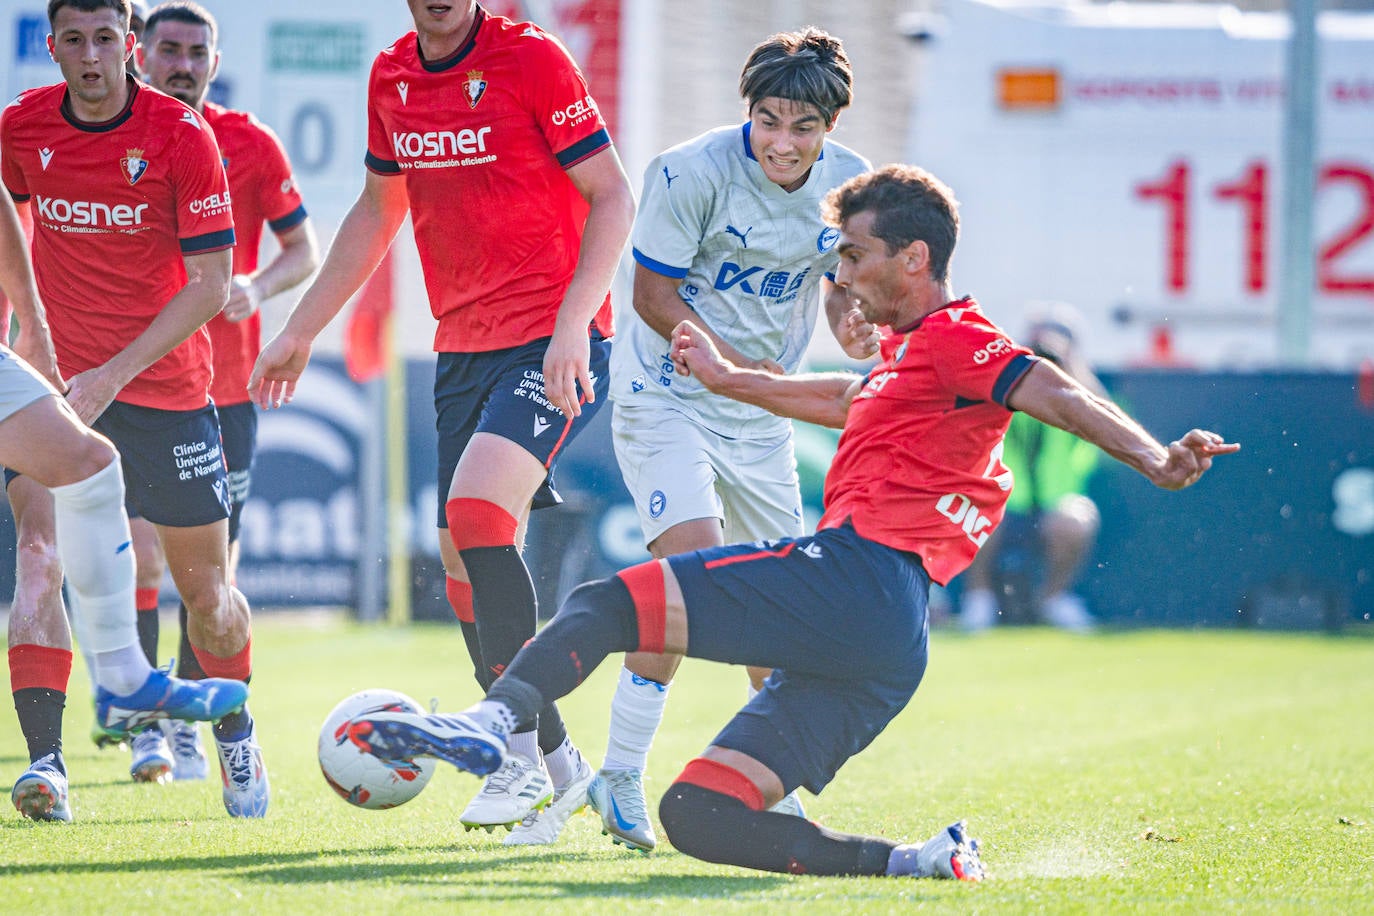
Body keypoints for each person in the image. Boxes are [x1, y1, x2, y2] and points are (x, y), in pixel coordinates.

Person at [347, 164, 1238, 880]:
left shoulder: (961, 338)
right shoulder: (911, 362)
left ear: (915, 259)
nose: (840, 275)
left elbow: (1052, 389)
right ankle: (916, 861)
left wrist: (1153, 457)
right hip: (889, 644)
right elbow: (843, 398)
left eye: (853, 255)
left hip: (856, 577)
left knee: (606, 604)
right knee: (699, 814)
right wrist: (730, 378)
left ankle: (494, 726)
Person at [248, 0, 635, 845]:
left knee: (477, 516)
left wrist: (576, 324)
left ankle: (511, 751)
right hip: (462, 347)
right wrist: (300, 331)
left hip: (554, 341)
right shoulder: (391, 75)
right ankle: (560, 764)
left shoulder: (530, 58)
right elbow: (376, 211)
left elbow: (613, 195)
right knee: (462, 552)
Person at [594, 27, 876, 851]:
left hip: (759, 412)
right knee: (691, 576)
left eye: (803, 127)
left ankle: (767, 790)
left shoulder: (853, 185)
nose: (782, 142)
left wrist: (848, 321)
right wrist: (723, 363)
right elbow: (651, 296)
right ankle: (620, 772)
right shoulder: (689, 172)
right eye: (768, 120)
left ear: (830, 127)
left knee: (779, 613)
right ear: (747, 111)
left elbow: (840, 282)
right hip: (666, 392)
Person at [1, 0, 267, 818]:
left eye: (105, 39)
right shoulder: (21, 128)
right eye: (73, 40)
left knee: (209, 600)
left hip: (167, 393)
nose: (90, 56)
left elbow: (212, 286)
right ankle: (47, 767)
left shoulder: (182, 136)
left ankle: (235, 731)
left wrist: (113, 374)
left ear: (131, 47)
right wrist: (26, 335)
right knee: (38, 556)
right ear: (53, 47)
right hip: (56, 388)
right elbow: (5, 222)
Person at [117, 0, 319, 785]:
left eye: (197, 53)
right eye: (169, 51)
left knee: (209, 578)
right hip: (130, 384)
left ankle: (188, 713)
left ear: (215, 62)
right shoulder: (110, 140)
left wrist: (256, 286)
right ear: (140, 54)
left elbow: (303, 249)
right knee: (141, 558)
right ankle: (145, 725)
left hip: (223, 391)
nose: (183, 66)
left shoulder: (249, 142)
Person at [961, 305, 1105, 632]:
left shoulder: (1080, 388)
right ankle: (979, 599)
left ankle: (1054, 599)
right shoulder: (1005, 386)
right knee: (976, 513)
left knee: (1076, 520)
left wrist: (1069, 367)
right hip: (1005, 499)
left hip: (1056, 502)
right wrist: (1021, 366)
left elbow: (1105, 418)